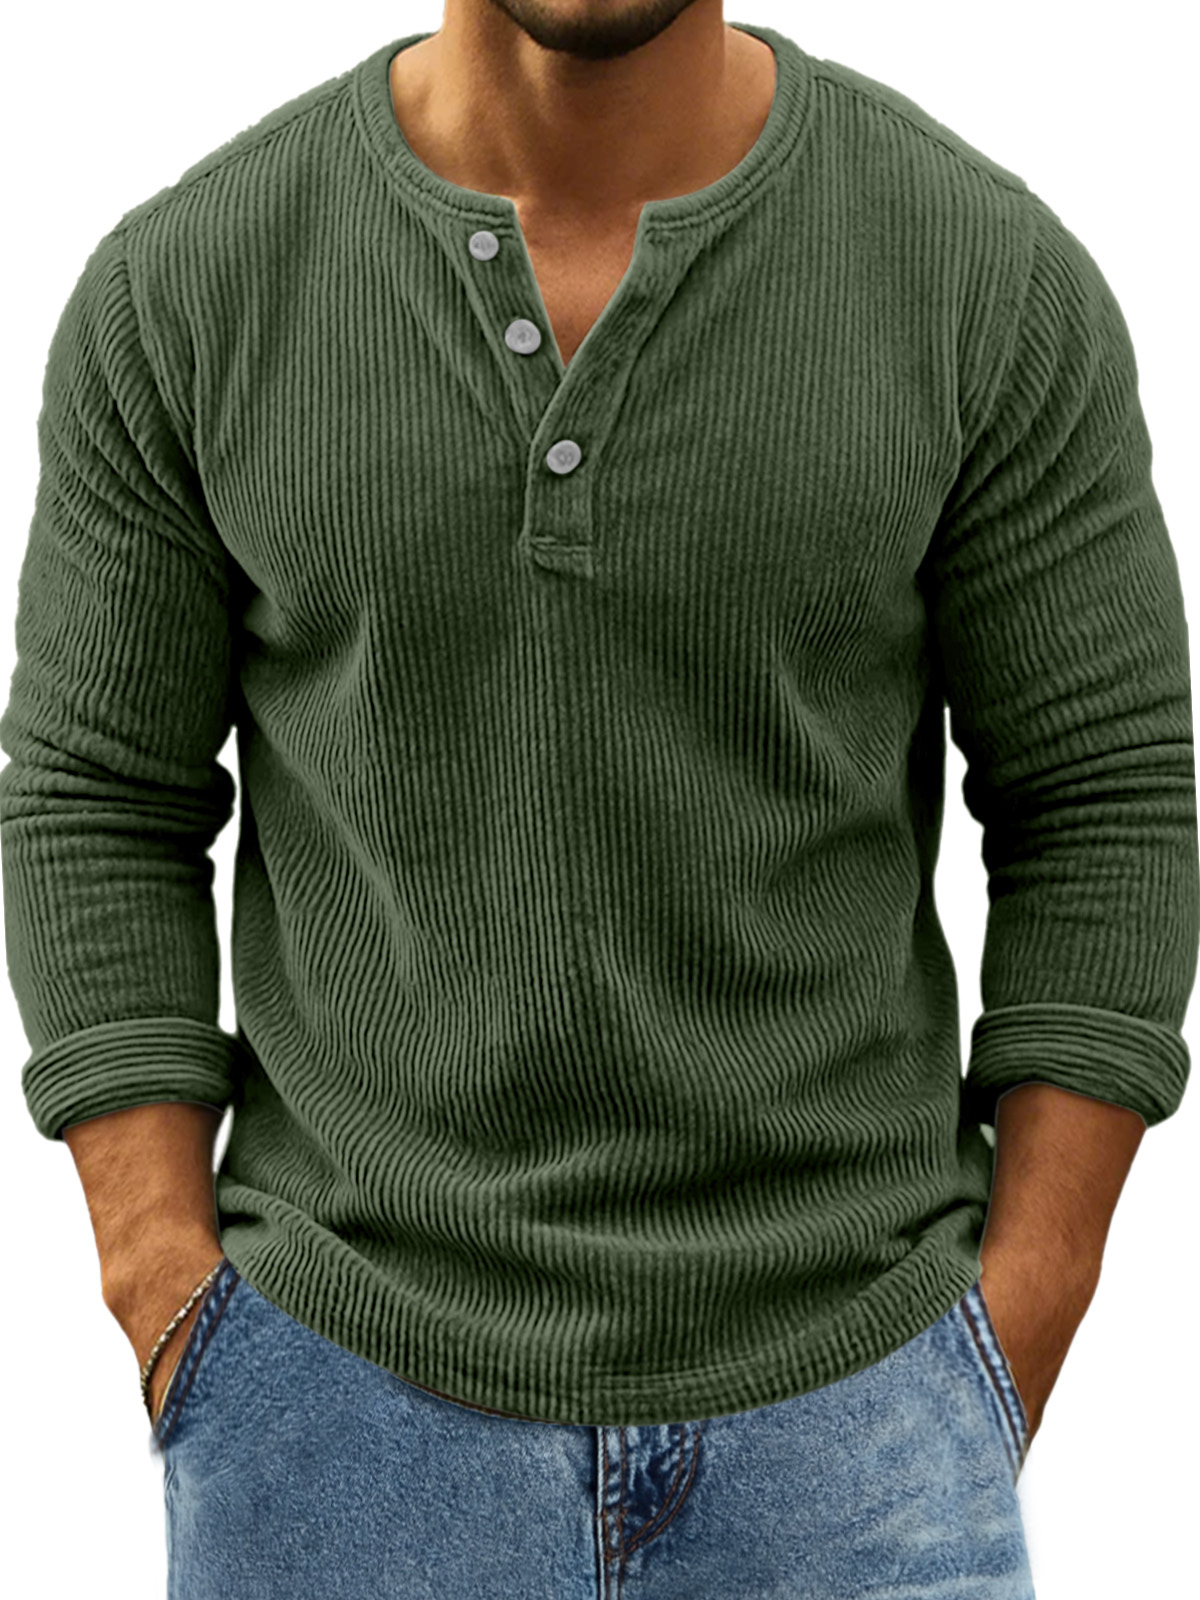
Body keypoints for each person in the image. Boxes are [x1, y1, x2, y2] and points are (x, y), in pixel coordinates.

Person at [1, 2, 1194, 1595]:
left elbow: (1103, 796)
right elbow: (95, 797)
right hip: (335, 1417)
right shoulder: (188, 289)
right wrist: (167, 1294)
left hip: (858, 1421)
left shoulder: (982, 276)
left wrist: (1007, 1330)